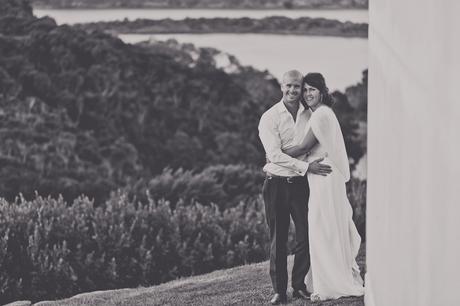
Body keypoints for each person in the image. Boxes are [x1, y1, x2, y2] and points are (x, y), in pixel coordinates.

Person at [282, 72, 365, 301]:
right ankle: (325, 277)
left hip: (324, 178)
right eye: (305, 89)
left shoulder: (320, 116)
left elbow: (301, 148)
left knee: (322, 229)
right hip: (323, 176)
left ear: (322, 91)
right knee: (325, 227)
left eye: (312, 90)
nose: (307, 94)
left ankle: (329, 283)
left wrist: (275, 153)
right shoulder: (323, 113)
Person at [258, 70, 332, 305]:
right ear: (281, 87)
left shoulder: (310, 114)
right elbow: (273, 156)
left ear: (302, 89)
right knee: (278, 241)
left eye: (297, 87)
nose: (293, 90)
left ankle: (299, 285)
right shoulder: (270, 117)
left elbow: (315, 144)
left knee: (307, 236)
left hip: (301, 186)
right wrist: (306, 166)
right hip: (276, 185)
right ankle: (280, 292)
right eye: (288, 86)